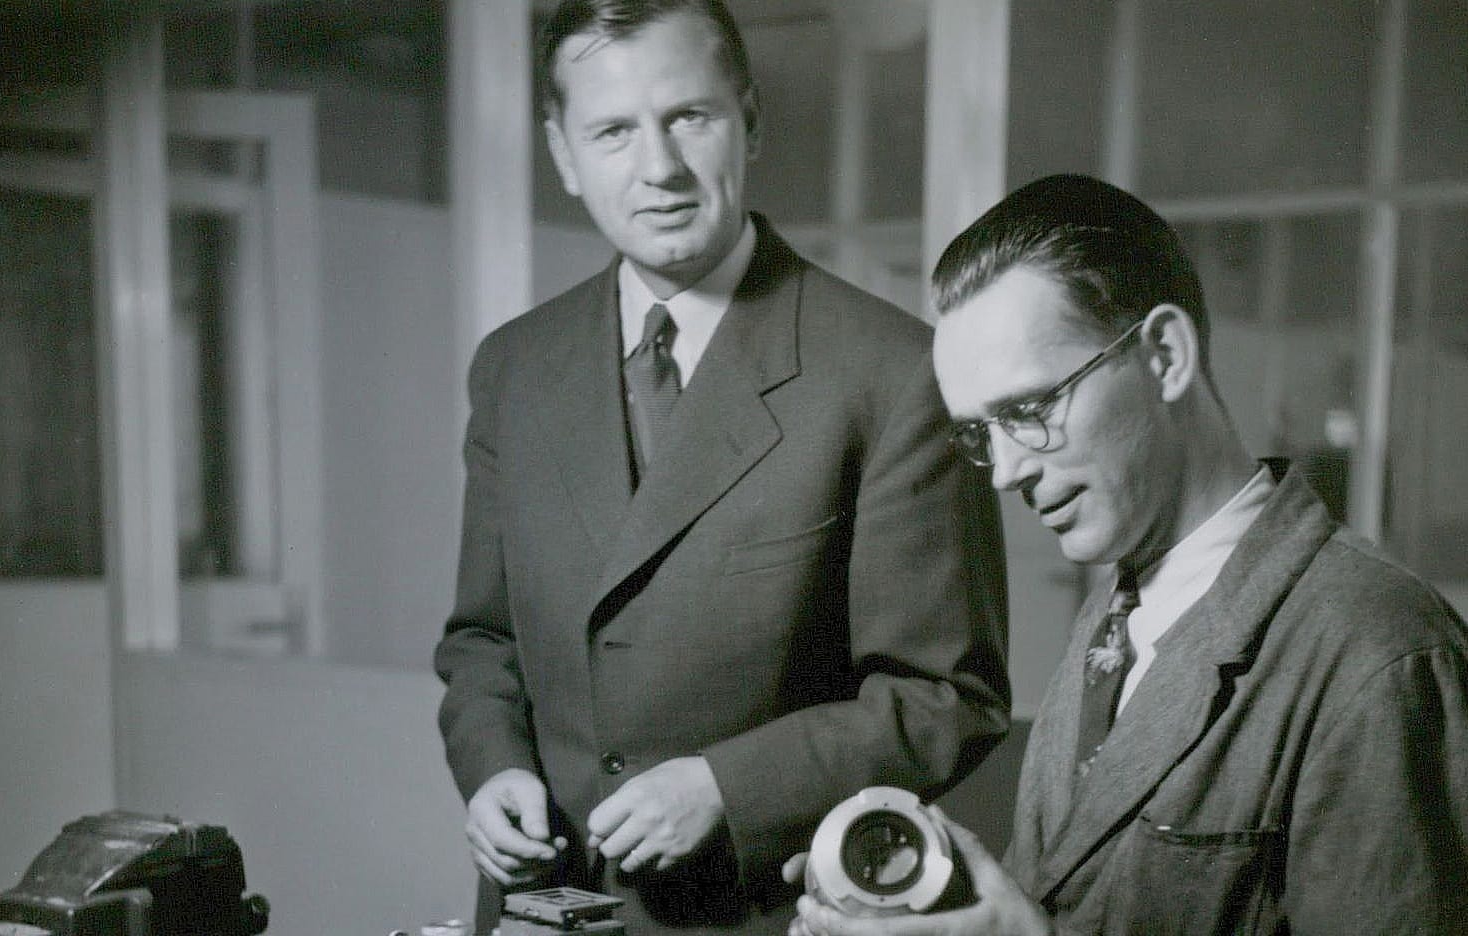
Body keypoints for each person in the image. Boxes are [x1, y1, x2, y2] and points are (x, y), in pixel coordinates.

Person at [432, 3, 1010, 935]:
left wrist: (724, 786)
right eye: (613, 131)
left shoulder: (890, 371)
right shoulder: (512, 367)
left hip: (772, 912)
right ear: (563, 155)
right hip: (543, 911)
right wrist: (493, 766)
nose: (657, 168)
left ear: (749, 117)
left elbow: (948, 699)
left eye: (688, 118)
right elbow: (481, 642)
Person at [786, 174, 1468, 935]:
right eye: (981, 432)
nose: (1007, 471)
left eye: (1030, 410)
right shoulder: (1119, 617)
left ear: (1165, 356)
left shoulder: (1377, 648)